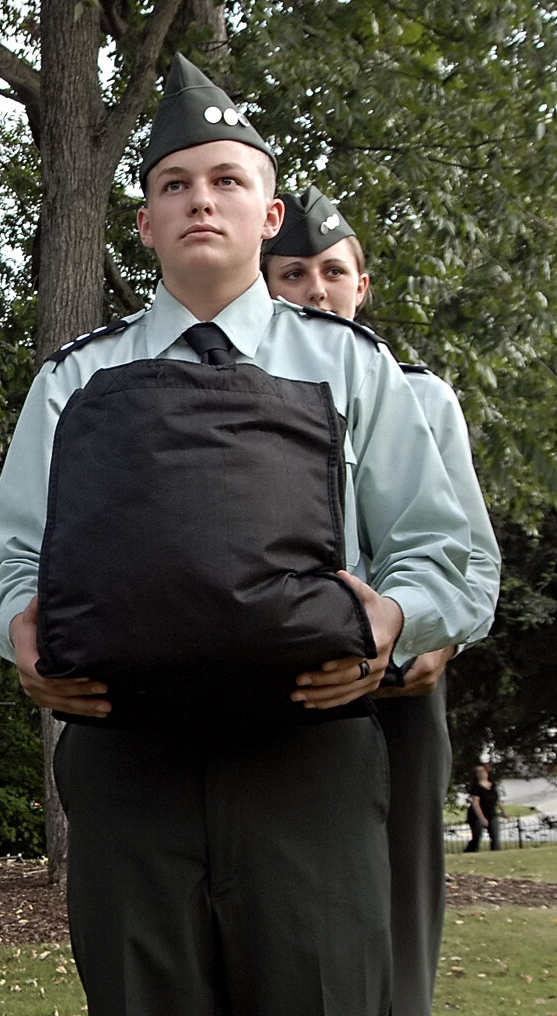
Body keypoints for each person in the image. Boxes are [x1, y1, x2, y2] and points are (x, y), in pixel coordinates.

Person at [0, 54, 482, 1016]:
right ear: (146, 222)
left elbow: (441, 555)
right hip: (127, 753)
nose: (199, 201)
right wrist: (21, 634)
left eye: (226, 181)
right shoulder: (72, 381)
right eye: (175, 185)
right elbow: (12, 556)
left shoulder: (356, 369)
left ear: (269, 213)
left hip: (308, 750)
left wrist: (390, 624)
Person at [265, 184, 502, 1016]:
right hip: (288, 692)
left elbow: (470, 562)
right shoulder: (236, 406)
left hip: (398, 694)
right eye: (292, 273)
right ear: (265, 287)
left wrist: (433, 644)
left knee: (400, 914)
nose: (316, 289)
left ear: (362, 287)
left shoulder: (424, 398)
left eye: (333, 271)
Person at [465, 763, 507, 852]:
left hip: (491, 813)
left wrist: (503, 811)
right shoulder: (476, 788)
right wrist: (482, 818)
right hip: (477, 815)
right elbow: (476, 804)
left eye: (483, 771)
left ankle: (496, 853)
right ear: (476, 774)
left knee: (495, 837)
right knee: (477, 836)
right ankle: (470, 851)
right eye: (480, 772)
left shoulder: (492, 786)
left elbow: (497, 800)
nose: (483, 773)